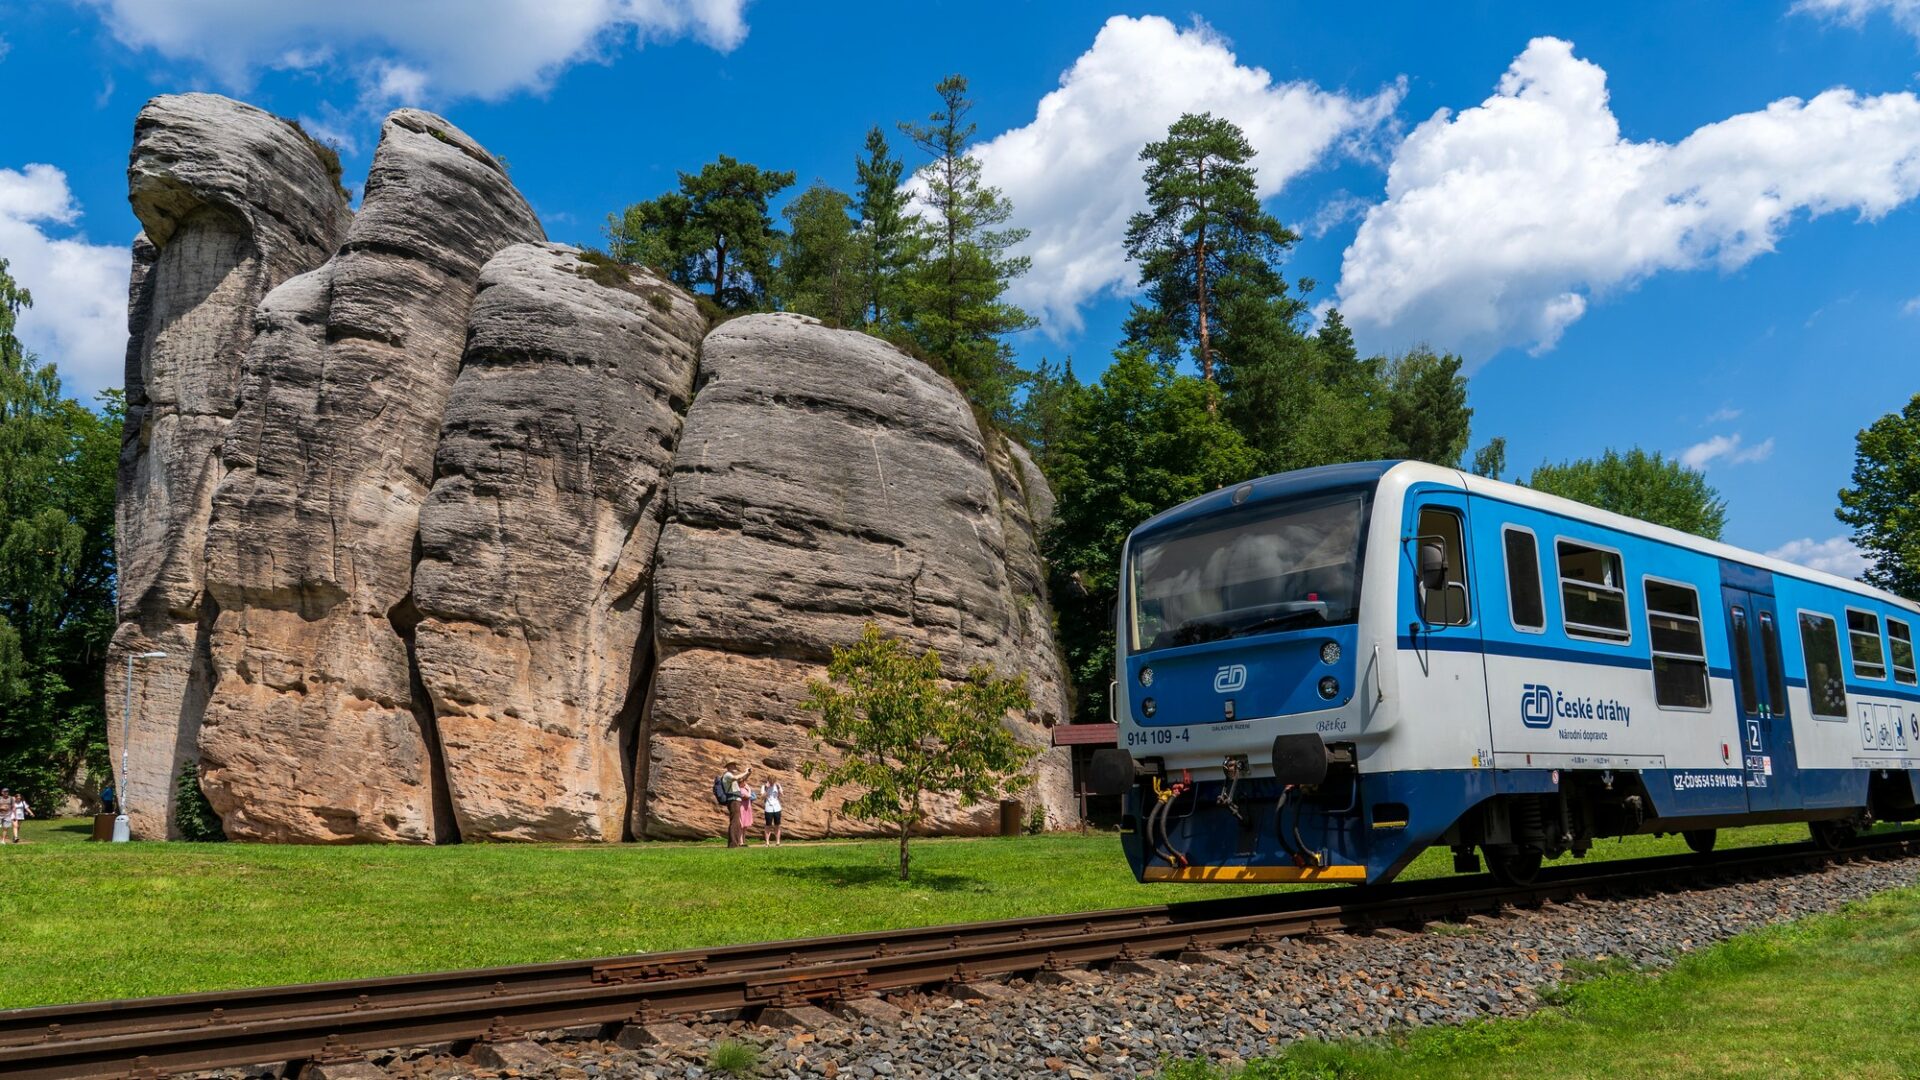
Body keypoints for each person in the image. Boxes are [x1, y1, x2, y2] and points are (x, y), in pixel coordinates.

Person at [721, 762, 751, 848]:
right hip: (733, 800)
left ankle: (736, 843)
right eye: (733, 765)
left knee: (737, 822)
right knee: (735, 821)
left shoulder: (730, 776)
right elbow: (735, 778)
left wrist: (748, 773)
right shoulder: (727, 775)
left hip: (736, 800)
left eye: (735, 765)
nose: (735, 766)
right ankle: (732, 844)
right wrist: (745, 772)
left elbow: (741, 781)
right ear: (728, 767)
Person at [760, 780, 784, 846]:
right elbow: (762, 797)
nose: (772, 783)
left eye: (773, 782)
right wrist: (766, 788)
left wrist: (779, 787)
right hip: (768, 808)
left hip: (777, 807)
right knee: (768, 825)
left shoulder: (777, 786)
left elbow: (782, 795)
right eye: (771, 782)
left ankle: (778, 842)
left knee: (777, 825)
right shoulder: (764, 787)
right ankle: (767, 842)